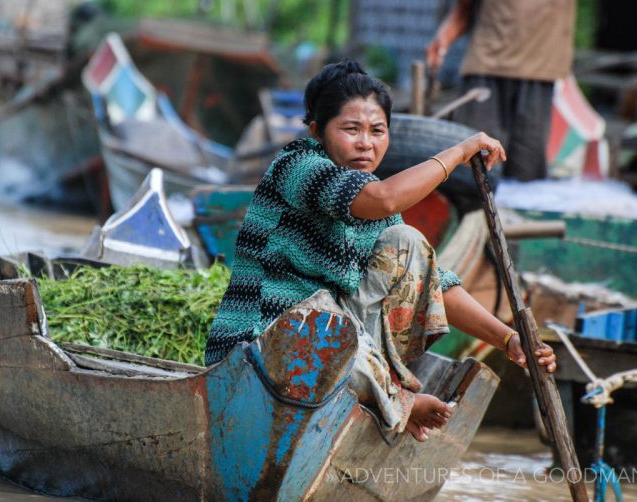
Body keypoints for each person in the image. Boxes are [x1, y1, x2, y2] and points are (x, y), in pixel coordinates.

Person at [205, 60, 556, 442]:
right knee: (323, 327)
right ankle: (397, 401)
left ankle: (382, 387)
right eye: (350, 130)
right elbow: (384, 199)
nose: (365, 143)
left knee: (407, 242)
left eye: (377, 131)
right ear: (317, 131)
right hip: (261, 339)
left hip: (329, 331)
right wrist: (458, 153)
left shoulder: (370, 199)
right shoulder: (298, 165)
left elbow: (436, 283)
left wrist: (509, 340)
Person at [426, 0, 575, 181]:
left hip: (540, 68)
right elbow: (463, 8)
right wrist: (444, 38)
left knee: (526, 172)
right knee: (472, 163)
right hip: (487, 64)